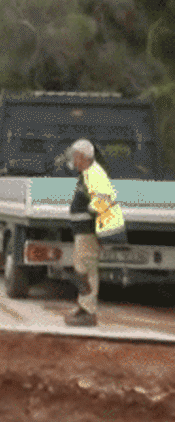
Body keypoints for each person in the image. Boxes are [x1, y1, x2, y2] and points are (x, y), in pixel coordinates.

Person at [65, 138, 125, 327]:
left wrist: (97, 229)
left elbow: (102, 203)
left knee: (85, 271)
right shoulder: (87, 174)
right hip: (83, 233)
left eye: (75, 156)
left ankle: (88, 311)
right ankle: (84, 307)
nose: (73, 160)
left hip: (87, 233)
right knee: (83, 269)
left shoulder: (94, 174)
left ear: (83, 156)